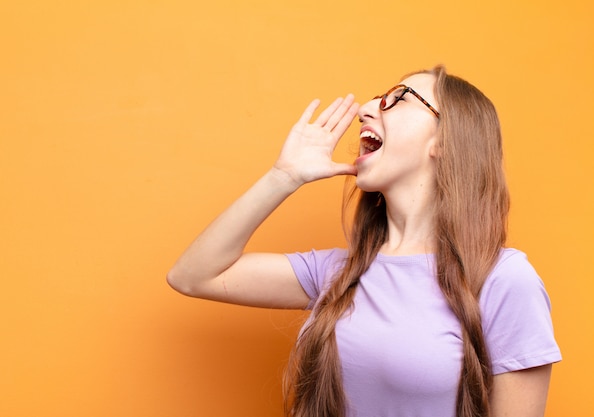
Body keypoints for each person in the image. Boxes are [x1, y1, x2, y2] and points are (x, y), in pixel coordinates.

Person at [167, 65, 561, 417]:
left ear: (445, 140)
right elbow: (192, 276)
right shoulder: (337, 273)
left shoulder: (505, 280)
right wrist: (283, 177)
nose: (365, 110)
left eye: (398, 100)